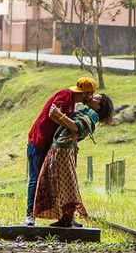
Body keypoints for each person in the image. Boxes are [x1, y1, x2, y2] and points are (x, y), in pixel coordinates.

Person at [33, 93, 115, 228]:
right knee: (63, 183)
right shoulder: (86, 112)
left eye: (96, 99)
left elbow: (77, 126)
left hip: (63, 151)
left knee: (66, 183)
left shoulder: (91, 115)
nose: (92, 97)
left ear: (100, 106)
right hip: (62, 149)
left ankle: (68, 220)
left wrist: (59, 115)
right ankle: (66, 218)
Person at [25, 76, 96, 225]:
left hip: (50, 145)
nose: (91, 97)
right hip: (38, 141)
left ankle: (65, 218)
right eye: (91, 94)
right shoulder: (65, 95)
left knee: (55, 181)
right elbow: (52, 112)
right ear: (85, 93)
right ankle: (30, 215)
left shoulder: (73, 103)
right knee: (35, 178)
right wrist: (68, 124)